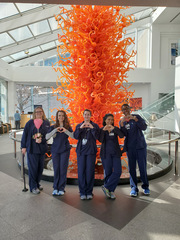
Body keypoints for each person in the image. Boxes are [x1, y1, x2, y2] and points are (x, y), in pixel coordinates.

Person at [119, 104, 150, 197]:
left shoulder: (137, 117)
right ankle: (133, 188)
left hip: (140, 147)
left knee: (142, 168)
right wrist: (121, 125)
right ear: (122, 111)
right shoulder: (122, 121)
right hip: (130, 148)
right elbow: (123, 134)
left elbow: (144, 127)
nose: (125, 110)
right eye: (123, 109)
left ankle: (145, 187)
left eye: (127, 108)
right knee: (132, 169)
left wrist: (136, 120)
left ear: (130, 109)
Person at [21, 107, 50, 194]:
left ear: (43, 112)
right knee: (33, 169)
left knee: (40, 169)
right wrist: (23, 147)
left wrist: (42, 140)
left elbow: (48, 136)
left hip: (41, 149)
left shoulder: (46, 123)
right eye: (37, 112)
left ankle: (37, 183)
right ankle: (33, 187)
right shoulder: (30, 123)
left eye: (40, 111)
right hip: (32, 149)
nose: (38, 113)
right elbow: (25, 135)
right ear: (34, 113)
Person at [46, 110, 73, 196]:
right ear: (57, 117)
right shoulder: (53, 126)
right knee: (56, 169)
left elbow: (73, 136)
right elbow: (47, 136)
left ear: (65, 117)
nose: (61, 117)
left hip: (65, 150)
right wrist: (55, 130)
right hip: (55, 150)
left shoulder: (68, 126)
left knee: (63, 170)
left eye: (62, 116)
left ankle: (61, 188)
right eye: (59, 115)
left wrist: (65, 130)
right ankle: (55, 188)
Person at [74, 109, 100, 200]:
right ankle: (82, 192)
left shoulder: (95, 126)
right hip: (81, 152)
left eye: (88, 114)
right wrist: (81, 128)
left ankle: (89, 192)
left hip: (91, 152)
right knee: (81, 172)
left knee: (90, 172)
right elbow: (76, 137)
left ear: (91, 115)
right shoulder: (79, 125)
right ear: (83, 115)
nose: (87, 116)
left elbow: (98, 137)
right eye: (85, 114)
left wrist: (92, 128)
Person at [99, 113, 124, 199]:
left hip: (115, 153)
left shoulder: (115, 129)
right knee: (108, 173)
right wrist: (103, 130)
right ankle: (110, 191)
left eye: (112, 120)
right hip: (105, 154)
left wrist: (115, 129)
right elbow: (100, 140)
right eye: (108, 119)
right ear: (105, 120)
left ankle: (106, 187)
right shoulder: (101, 129)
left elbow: (121, 136)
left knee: (118, 171)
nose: (110, 121)